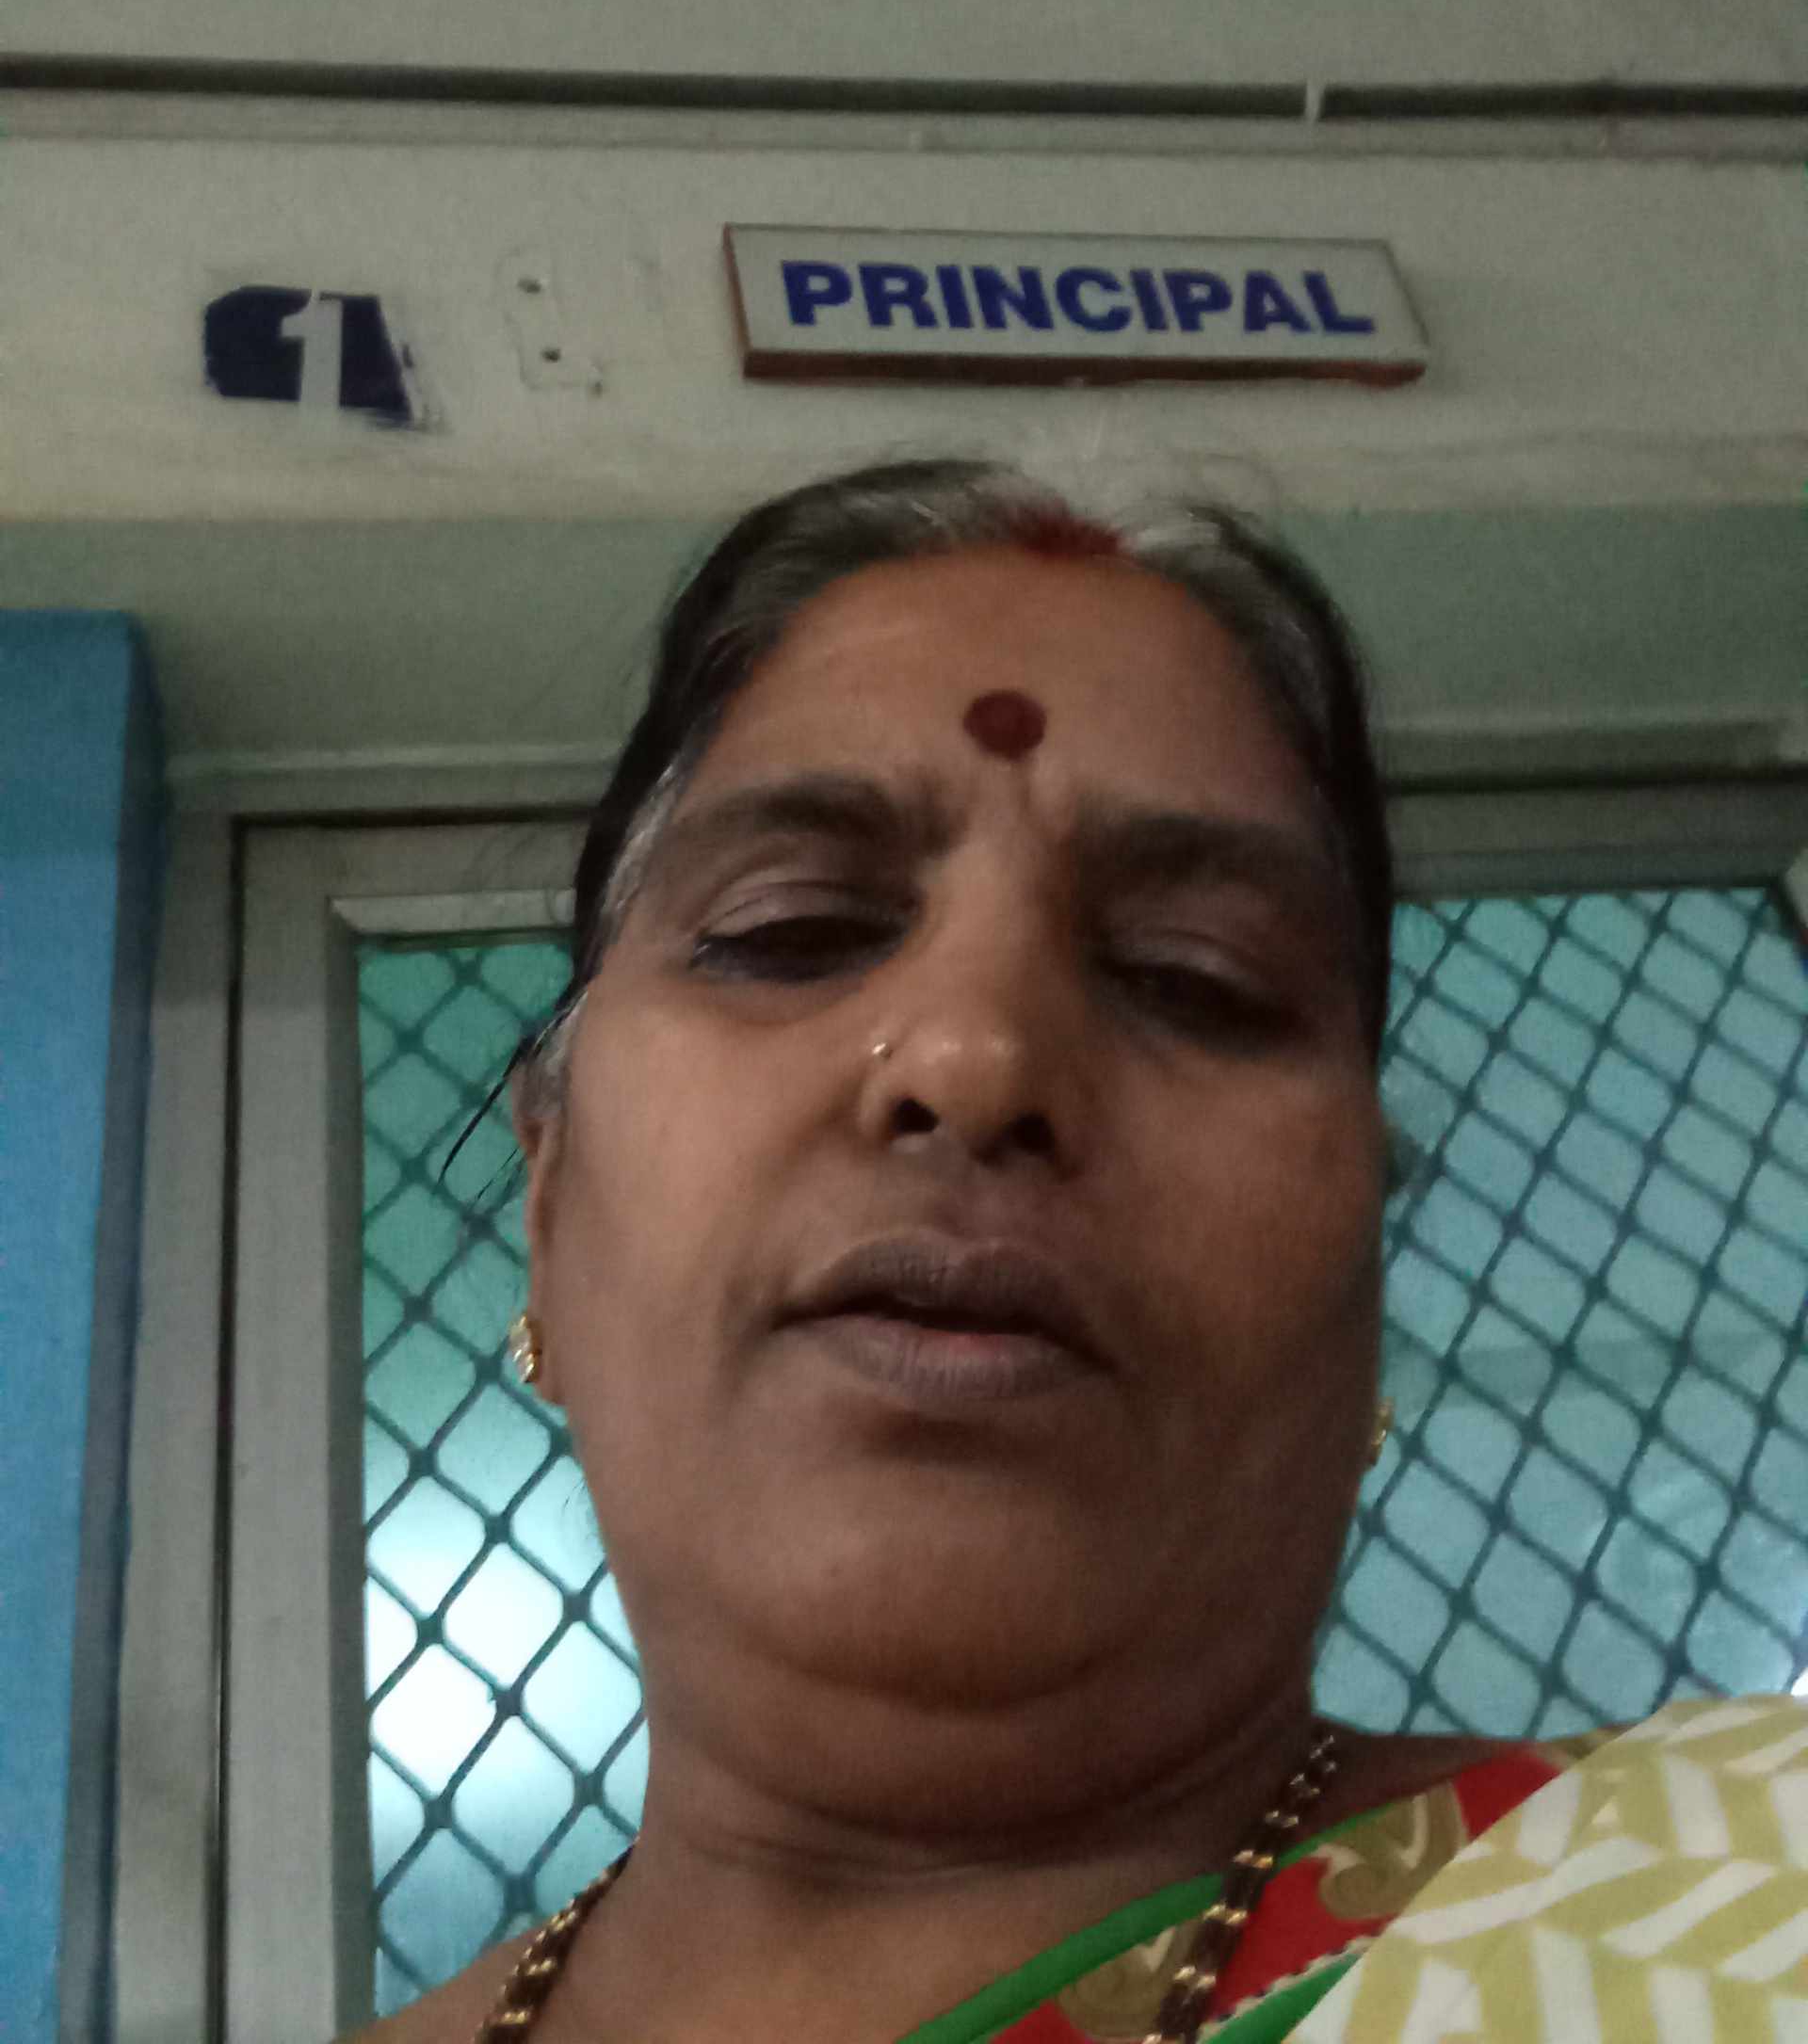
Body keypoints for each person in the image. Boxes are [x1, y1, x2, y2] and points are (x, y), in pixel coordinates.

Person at [353, 458, 1807, 2044]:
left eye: (1198, 978)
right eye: (792, 930)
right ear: (549, 1203)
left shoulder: (1754, 1890)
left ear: (1363, 1303)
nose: (978, 1059)